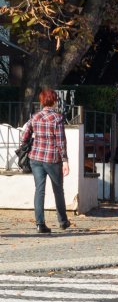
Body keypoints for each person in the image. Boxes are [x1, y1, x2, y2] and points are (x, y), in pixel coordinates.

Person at [21, 89, 70, 234]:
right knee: (58, 190)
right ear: (54, 101)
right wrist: (65, 160)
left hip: (35, 157)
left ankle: (40, 223)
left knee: (39, 190)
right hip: (52, 158)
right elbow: (61, 141)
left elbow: (24, 136)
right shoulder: (57, 118)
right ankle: (62, 221)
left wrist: (28, 145)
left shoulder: (35, 116)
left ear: (42, 101)